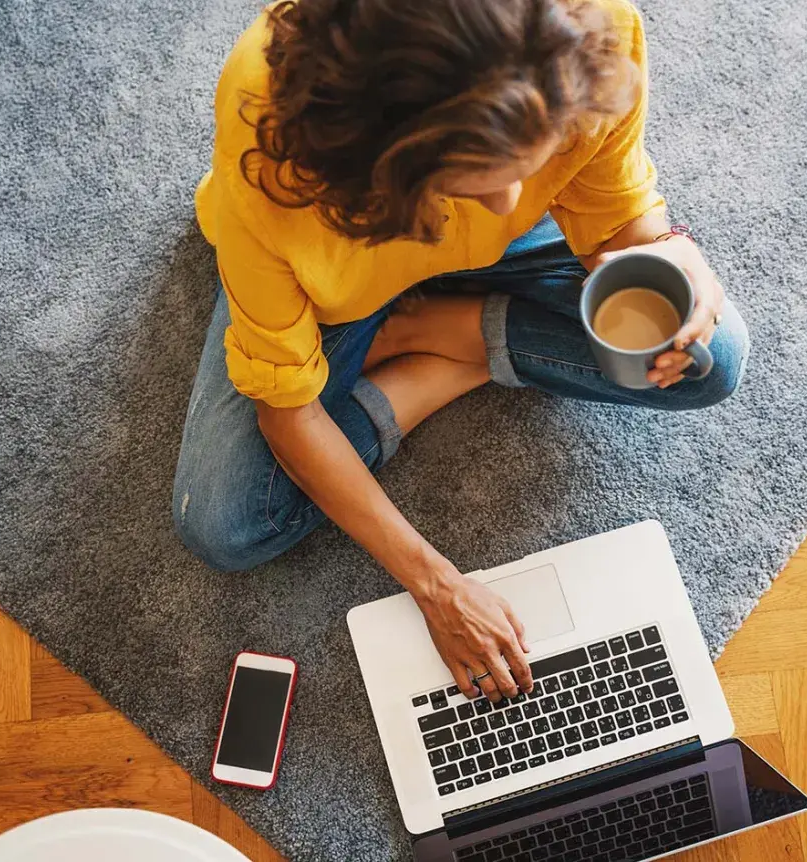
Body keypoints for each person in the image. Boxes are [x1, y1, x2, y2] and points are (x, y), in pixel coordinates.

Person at [174, 0, 749, 704]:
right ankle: (456, 350)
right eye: (479, 177)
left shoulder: (586, 31)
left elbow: (615, 215)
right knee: (226, 525)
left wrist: (663, 247)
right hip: (334, 282)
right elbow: (285, 414)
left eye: (531, 159)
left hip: (465, 256)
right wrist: (437, 585)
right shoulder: (277, 151)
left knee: (707, 354)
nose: (508, 203)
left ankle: (438, 332)